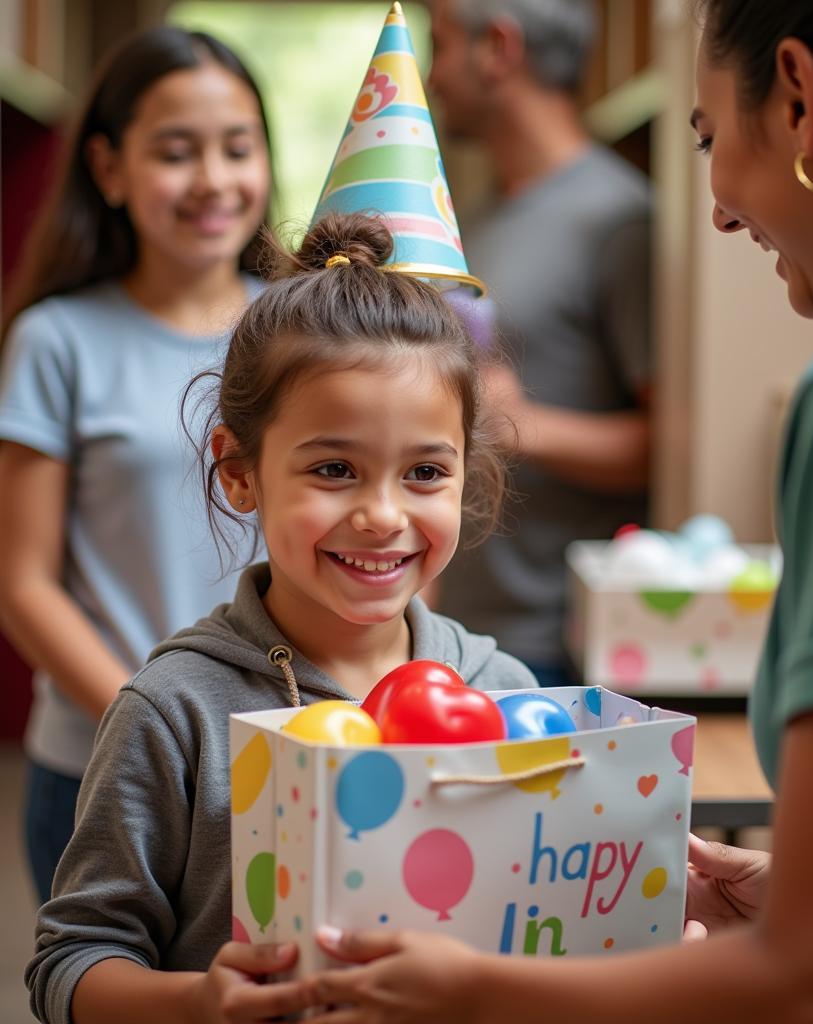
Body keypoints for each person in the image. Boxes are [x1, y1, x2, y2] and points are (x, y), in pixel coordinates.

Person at [280, 1, 813, 1021]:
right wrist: (804, 903)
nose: (716, 210)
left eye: (710, 136)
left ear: (801, 99)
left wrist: (474, 990)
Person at [26, 210, 537, 1024]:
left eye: (425, 472)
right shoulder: (174, 712)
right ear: (239, 472)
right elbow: (71, 964)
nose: (382, 515)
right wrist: (198, 1002)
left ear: (466, 475)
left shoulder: (505, 694)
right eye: (335, 468)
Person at [0, 25, 273, 905]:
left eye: (238, 147)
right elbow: (23, 583)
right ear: (110, 170)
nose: (214, 180)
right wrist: (154, 729)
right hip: (100, 771)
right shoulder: (57, 340)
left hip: (294, 760)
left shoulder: (305, 333)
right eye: (175, 152)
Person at [427, 0, 652, 686]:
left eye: (438, 45)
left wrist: (524, 426)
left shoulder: (621, 218)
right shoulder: (478, 214)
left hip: (554, 645)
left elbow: (672, 443)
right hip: (459, 630)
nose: (430, 76)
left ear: (498, 47)